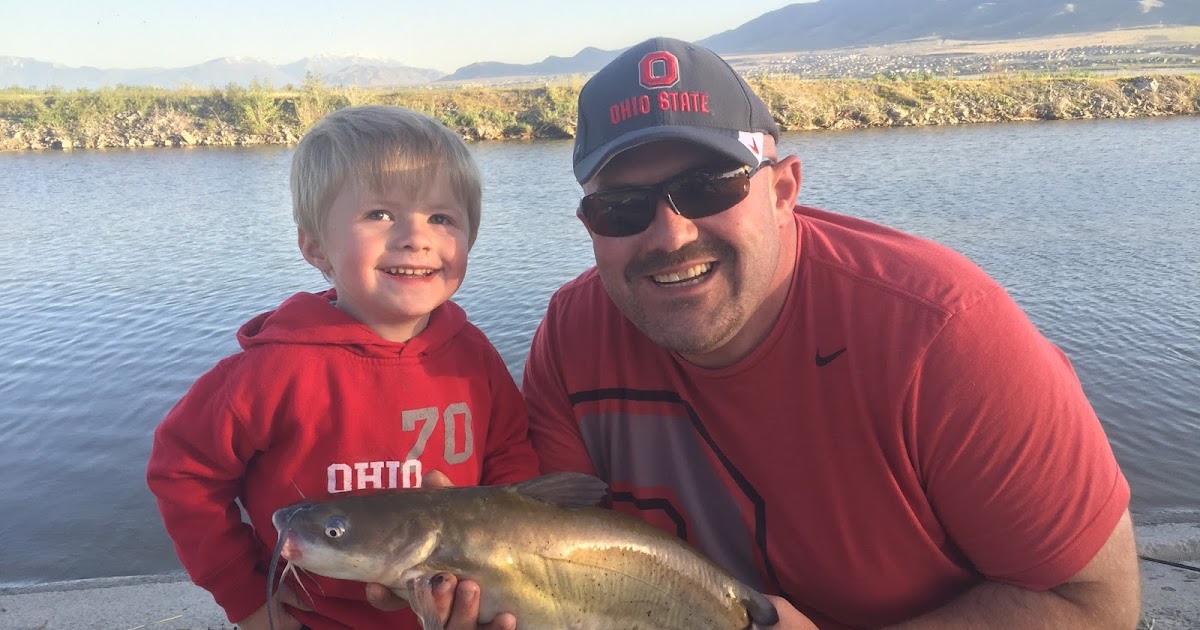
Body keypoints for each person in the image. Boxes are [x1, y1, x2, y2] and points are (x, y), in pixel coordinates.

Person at [371, 37, 1142, 629]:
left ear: (783, 191)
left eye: (707, 188)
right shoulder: (574, 336)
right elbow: (557, 559)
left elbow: (1098, 605)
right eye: (623, 209)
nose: (670, 236)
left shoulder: (942, 334)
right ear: (589, 226)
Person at [146, 105, 539, 630]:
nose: (415, 237)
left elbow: (509, 455)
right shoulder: (271, 370)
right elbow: (182, 471)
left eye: (441, 218)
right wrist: (243, 595)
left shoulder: (474, 357)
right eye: (379, 214)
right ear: (314, 246)